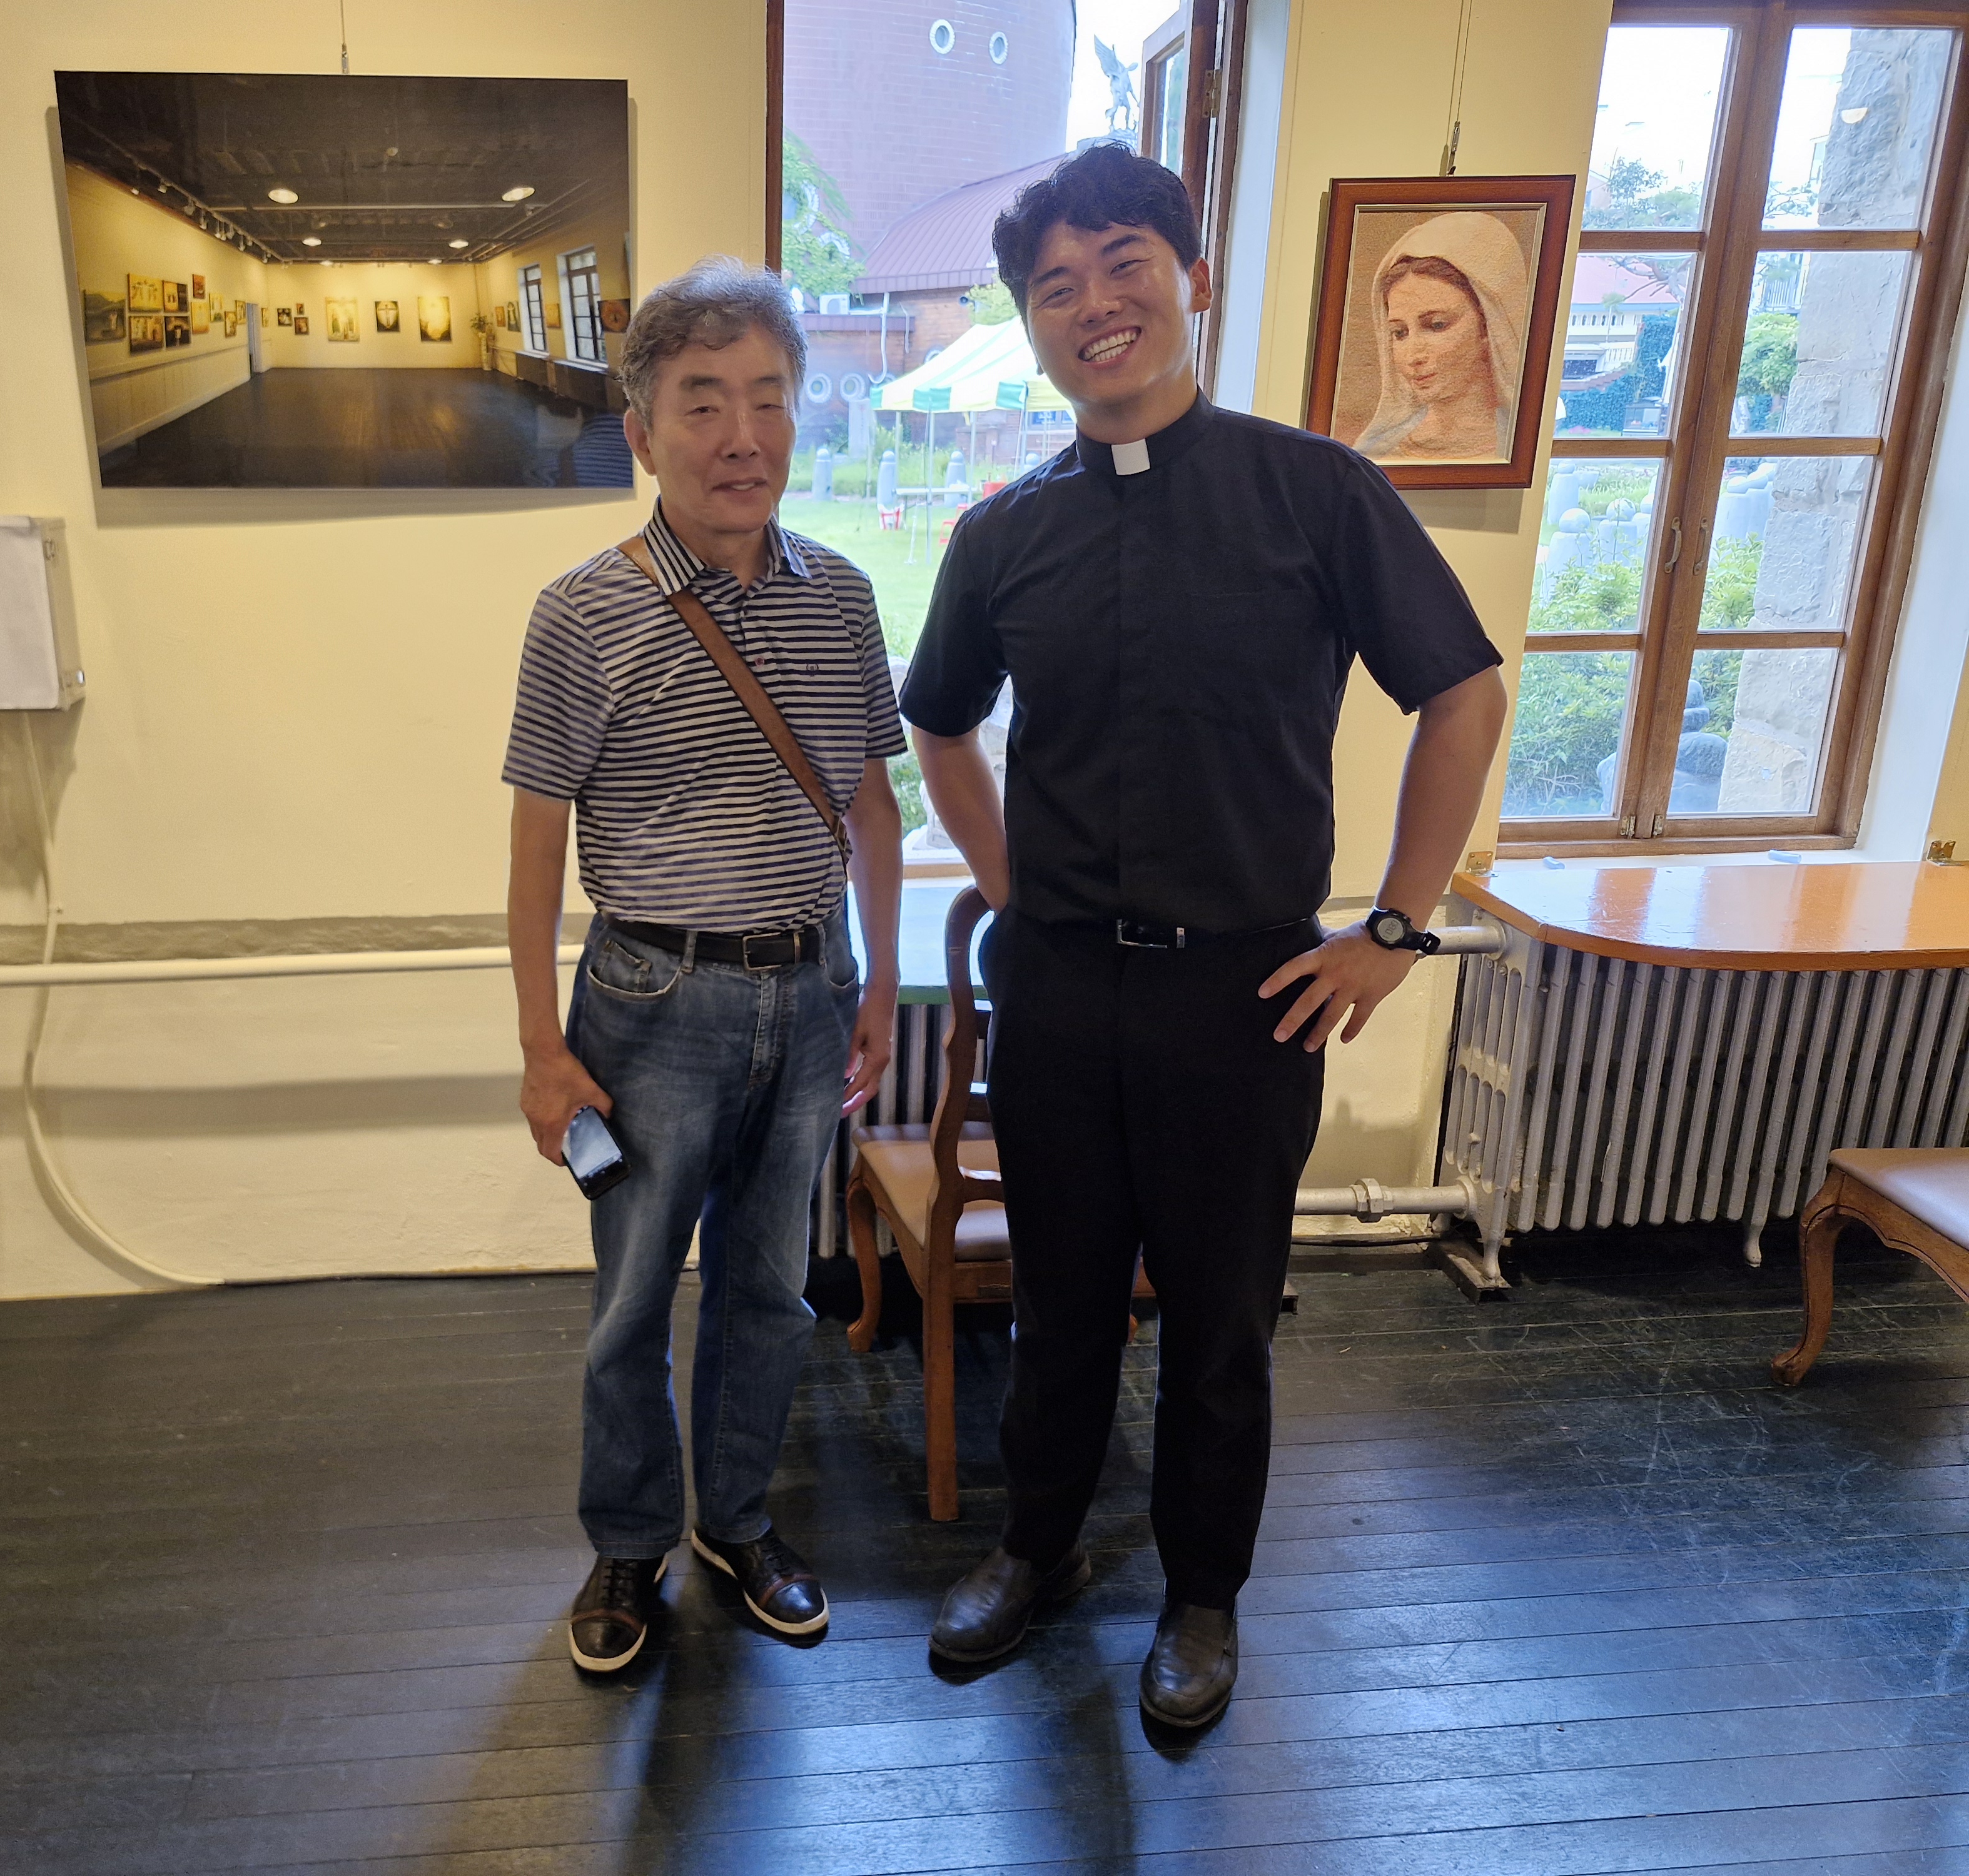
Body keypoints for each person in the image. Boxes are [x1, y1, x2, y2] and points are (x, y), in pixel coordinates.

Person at [900, 144, 1507, 1727]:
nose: (1093, 305)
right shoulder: (1001, 533)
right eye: (1055, 286)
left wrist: (1394, 926)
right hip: (1055, 990)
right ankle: (1033, 1549)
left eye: (1124, 265)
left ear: (1191, 279)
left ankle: (1201, 1596)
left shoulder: (1315, 491)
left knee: (1220, 1321)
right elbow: (939, 722)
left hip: (1246, 996)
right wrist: (1008, 882)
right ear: (1030, 325)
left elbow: (1460, 692)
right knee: (1056, 1303)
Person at [502, 257, 909, 1675]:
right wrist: (540, 1050)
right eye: (703, 403)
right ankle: (629, 1540)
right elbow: (535, 842)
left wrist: (875, 982)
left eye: (769, 399)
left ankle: (736, 1520)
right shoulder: (581, 613)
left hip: (808, 996)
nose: (743, 435)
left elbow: (872, 805)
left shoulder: (841, 596)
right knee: (631, 1300)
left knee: (767, 1291)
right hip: (647, 1010)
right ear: (642, 431)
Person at [1352, 211, 1532, 463]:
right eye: (1400, 333)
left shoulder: (1521, 446)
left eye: (1437, 325)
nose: (1413, 356)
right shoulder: (1378, 451)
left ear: (1487, 326)